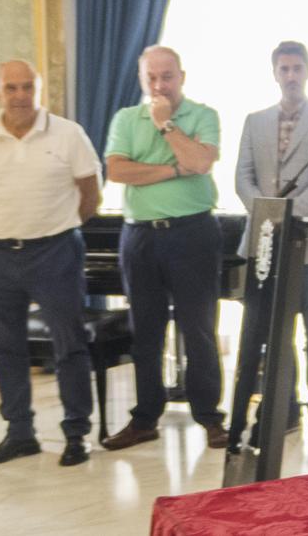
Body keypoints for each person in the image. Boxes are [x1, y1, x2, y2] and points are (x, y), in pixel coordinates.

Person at [0, 60, 101, 467]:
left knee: (69, 345)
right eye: (11, 88)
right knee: (5, 347)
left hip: (56, 252)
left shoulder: (69, 134)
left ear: (38, 91)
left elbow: (90, 196)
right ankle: (19, 433)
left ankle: (77, 433)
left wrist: (57, 226)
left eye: (27, 87)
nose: (20, 96)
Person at [101, 46, 229, 451]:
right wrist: (174, 169)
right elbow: (118, 170)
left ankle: (209, 416)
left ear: (182, 77)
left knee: (199, 330)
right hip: (140, 237)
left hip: (192, 232)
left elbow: (201, 163)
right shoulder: (125, 118)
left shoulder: (204, 116)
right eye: (152, 78)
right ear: (143, 79)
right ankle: (145, 418)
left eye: (167, 76)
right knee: (146, 332)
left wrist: (166, 126)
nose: (159, 85)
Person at [234, 40, 308, 445]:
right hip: (263, 240)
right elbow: (242, 175)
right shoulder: (254, 121)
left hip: (307, 241)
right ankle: (287, 407)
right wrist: (266, 212)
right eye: (284, 69)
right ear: (275, 73)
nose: (291, 76)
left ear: (307, 71)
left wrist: (290, 212)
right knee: (277, 329)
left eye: (297, 68)